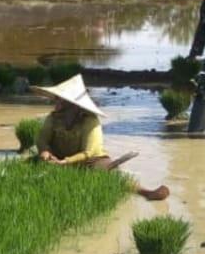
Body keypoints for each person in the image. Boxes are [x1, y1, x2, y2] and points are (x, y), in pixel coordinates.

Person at [32, 74, 170, 202]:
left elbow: (89, 152)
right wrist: (45, 151)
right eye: (57, 98)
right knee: (33, 166)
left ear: (73, 104)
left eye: (61, 98)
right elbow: (42, 139)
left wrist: (66, 162)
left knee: (112, 173)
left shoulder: (90, 120)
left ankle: (145, 192)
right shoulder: (53, 118)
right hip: (58, 157)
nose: (56, 101)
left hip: (89, 160)